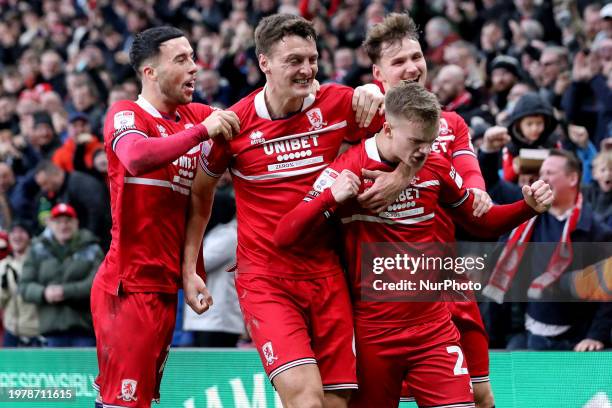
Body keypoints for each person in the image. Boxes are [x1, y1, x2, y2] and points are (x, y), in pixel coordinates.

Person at [273, 82, 552, 407]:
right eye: (416, 141)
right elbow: (284, 236)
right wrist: (329, 198)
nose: (423, 150)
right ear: (388, 128)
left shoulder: (433, 165)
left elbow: (482, 224)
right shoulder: (348, 169)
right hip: (373, 334)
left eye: (430, 142)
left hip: (433, 327)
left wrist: (527, 207)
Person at [183, 14, 410, 408]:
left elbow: (413, 130)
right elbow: (200, 197)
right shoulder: (235, 126)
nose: (306, 69)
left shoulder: (341, 103)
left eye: (312, 58)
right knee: (305, 398)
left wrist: (403, 171)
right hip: (266, 279)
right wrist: (191, 268)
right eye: (294, 61)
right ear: (264, 63)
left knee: (337, 401)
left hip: (327, 273)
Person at [90, 26, 240, 408]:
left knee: (137, 400)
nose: (194, 67)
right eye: (181, 59)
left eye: (193, 57)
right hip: (127, 287)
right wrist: (203, 132)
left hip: (164, 287)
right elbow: (137, 157)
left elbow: (252, 120)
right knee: (123, 402)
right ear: (150, 72)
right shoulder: (126, 113)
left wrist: (190, 271)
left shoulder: (196, 116)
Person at [361, 13, 494, 407]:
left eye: (416, 57)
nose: (411, 68)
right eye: (398, 61)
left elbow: (470, 173)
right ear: (378, 72)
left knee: (480, 395)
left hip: (445, 281)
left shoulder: (450, 124)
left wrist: (475, 190)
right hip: (383, 291)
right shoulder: (362, 118)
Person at [483, 150, 612, 351]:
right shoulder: (524, 220)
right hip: (528, 335)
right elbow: (492, 185)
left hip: (576, 342)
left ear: (572, 178)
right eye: (541, 173)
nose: (542, 178)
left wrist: (596, 336)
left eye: (550, 173)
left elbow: (607, 292)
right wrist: (489, 151)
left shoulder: (597, 232)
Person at [20, 203, 103, 347]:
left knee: (85, 369)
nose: (64, 226)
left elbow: (98, 285)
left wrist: (65, 292)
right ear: (50, 224)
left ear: (76, 222)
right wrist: (44, 293)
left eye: (68, 221)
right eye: (58, 222)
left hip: (84, 330)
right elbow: (24, 286)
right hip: (49, 332)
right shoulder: (37, 249)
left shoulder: (92, 248)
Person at [0, 221, 40, 347]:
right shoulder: (4, 265)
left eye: (22, 232)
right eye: (13, 232)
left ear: (29, 237)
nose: (17, 236)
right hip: (11, 333)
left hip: (36, 333)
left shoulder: (38, 263)